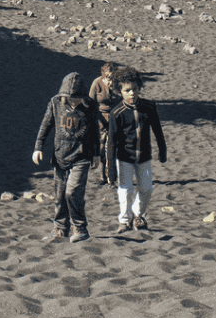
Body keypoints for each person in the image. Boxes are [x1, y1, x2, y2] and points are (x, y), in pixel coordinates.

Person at [33, 72, 99, 242]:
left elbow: (94, 132)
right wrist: (38, 147)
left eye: (76, 98)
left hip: (82, 156)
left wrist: (97, 154)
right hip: (60, 155)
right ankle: (61, 228)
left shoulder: (90, 106)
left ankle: (80, 228)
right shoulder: (55, 102)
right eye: (69, 98)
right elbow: (46, 125)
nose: (72, 101)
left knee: (73, 192)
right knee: (60, 194)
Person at [106, 66, 166, 234]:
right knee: (125, 189)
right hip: (124, 157)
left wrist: (162, 149)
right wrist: (111, 168)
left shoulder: (149, 107)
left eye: (134, 89)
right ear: (120, 91)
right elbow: (111, 142)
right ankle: (124, 221)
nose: (132, 93)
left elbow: (157, 130)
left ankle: (137, 213)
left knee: (147, 188)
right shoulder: (116, 113)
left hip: (145, 157)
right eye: (127, 90)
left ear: (139, 88)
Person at [89, 62, 117, 185]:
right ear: (103, 75)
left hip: (115, 119)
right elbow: (90, 102)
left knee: (112, 148)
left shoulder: (118, 84)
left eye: (112, 77)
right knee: (101, 147)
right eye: (108, 77)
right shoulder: (97, 83)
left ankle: (111, 177)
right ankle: (102, 176)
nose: (110, 80)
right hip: (100, 119)